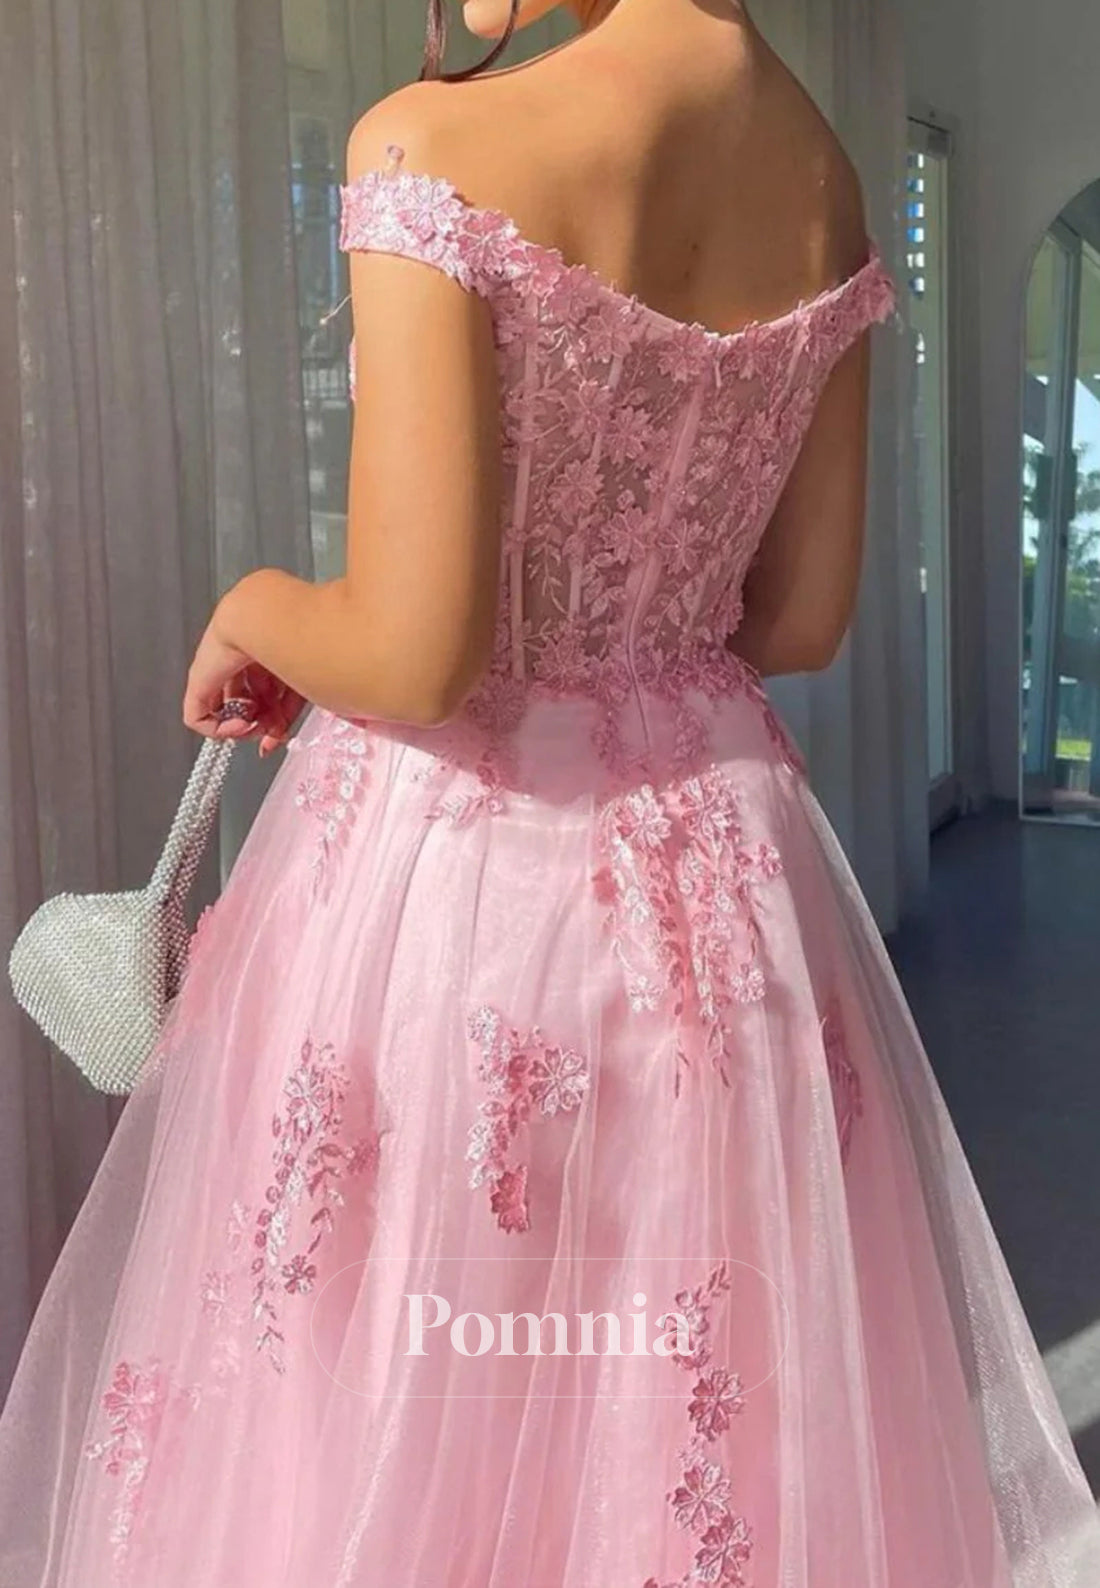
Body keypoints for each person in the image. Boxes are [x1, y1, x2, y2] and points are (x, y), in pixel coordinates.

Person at [2, 0, 1098, 1583]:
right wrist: (624, 626)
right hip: (724, 889)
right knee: (679, 1407)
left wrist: (257, 607)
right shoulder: (819, 174)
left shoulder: (435, 145)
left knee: (396, 1394)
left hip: (455, 887)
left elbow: (418, 652)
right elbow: (800, 620)